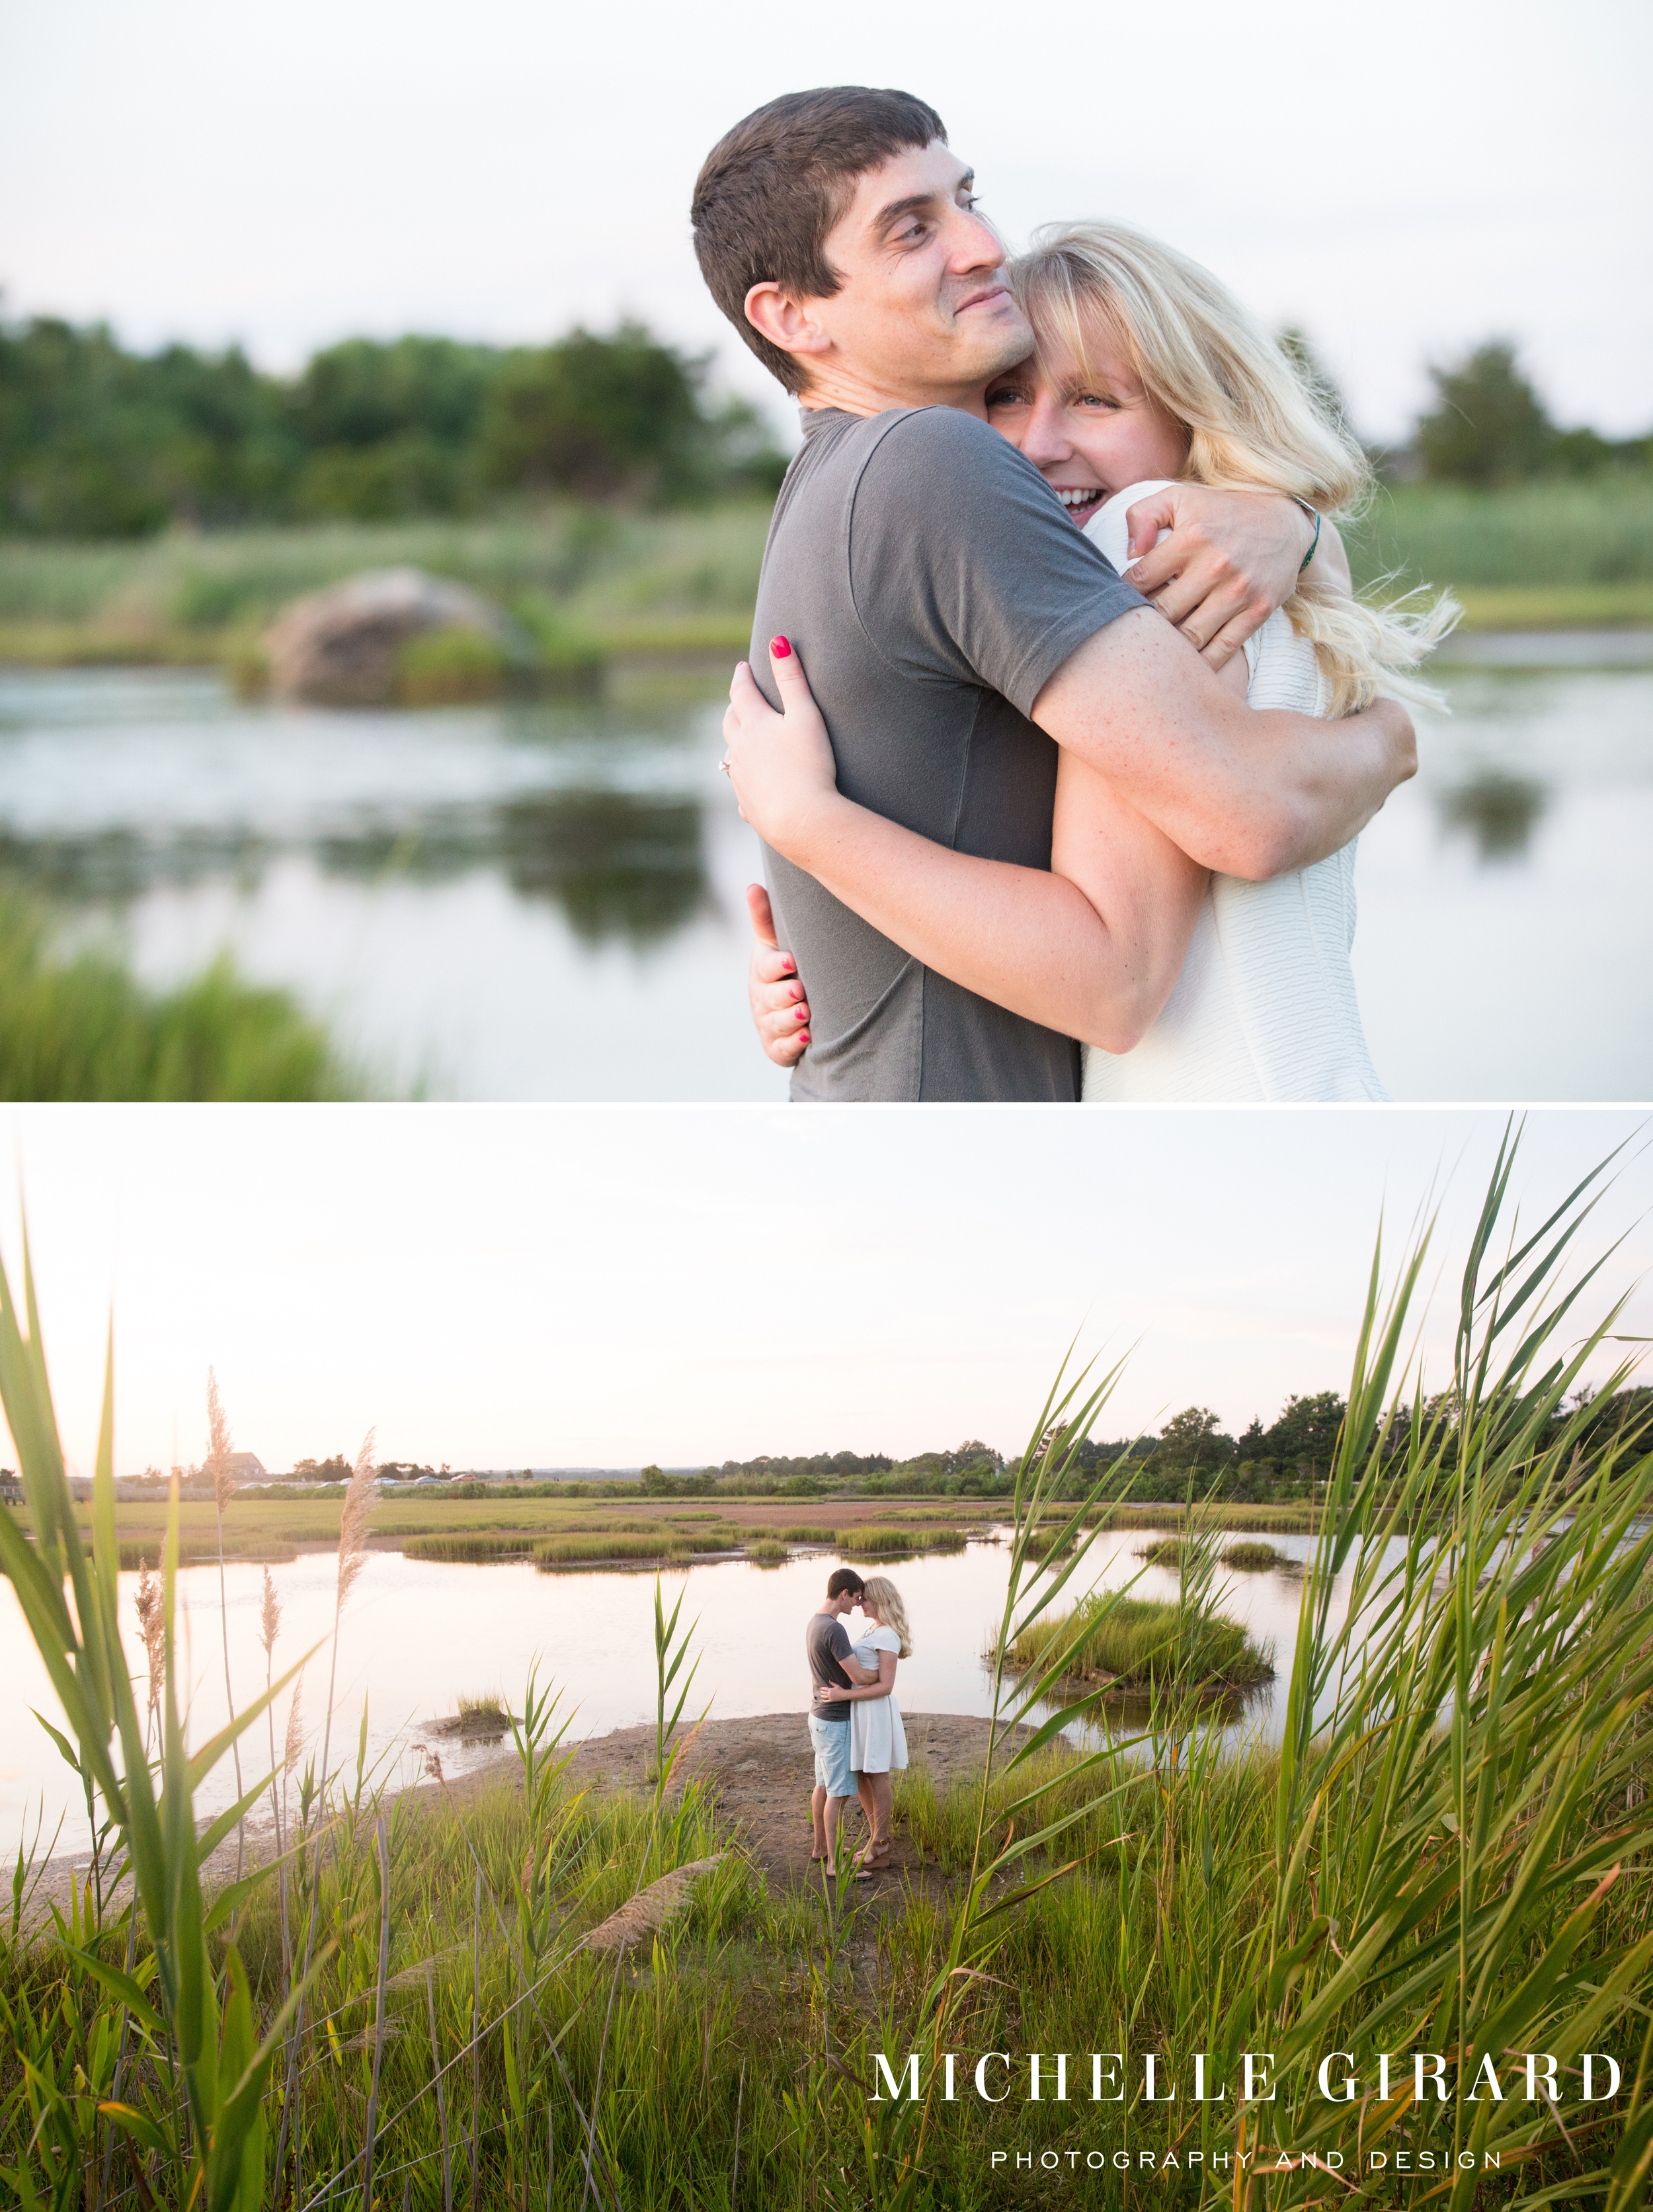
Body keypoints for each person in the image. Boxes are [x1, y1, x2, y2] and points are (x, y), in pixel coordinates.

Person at [692, 87, 1416, 1102]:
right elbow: (1210, 860)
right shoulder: (936, 464)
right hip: (1010, 1177)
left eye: (966, 199)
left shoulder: (834, 489)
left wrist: (1298, 531)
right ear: (790, 314)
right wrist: (1395, 740)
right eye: (912, 228)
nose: (980, 243)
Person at [817, 1573, 910, 1877]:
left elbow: (887, 1686)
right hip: (860, 1712)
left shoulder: (888, 1636)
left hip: (874, 1712)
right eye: (858, 1597)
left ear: (879, 1600)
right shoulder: (874, 1630)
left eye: (865, 1598)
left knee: (877, 1774)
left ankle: (881, 1842)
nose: (860, 1603)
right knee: (861, 1775)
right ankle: (876, 1837)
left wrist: (845, 1693)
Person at [805, 1565, 865, 1870]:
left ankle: (820, 1848)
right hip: (835, 1721)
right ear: (844, 1594)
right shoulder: (834, 1629)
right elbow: (858, 1676)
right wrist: (883, 1675)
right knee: (839, 1794)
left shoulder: (815, 1623)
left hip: (818, 1717)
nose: (858, 1603)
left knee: (824, 1787)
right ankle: (834, 1865)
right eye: (856, 1597)